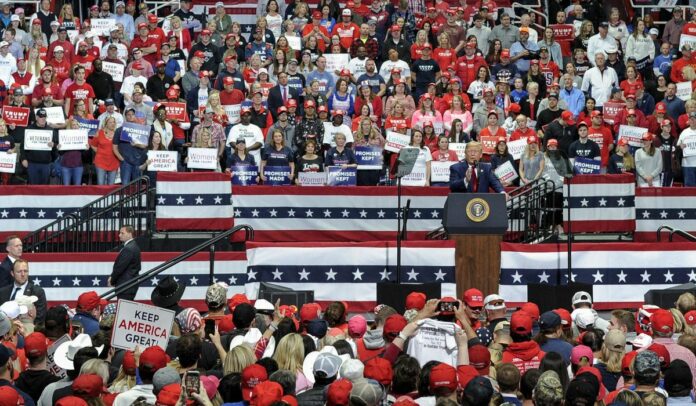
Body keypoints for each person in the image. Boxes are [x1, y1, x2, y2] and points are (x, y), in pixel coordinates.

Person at [0, 259, 47, 323]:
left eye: (25, 271)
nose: (23, 274)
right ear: (12, 273)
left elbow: (40, 318)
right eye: (19, 271)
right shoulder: (2, 292)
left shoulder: (37, 292)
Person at [108, 225, 141, 301]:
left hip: (125, 286)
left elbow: (120, 267)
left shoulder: (129, 248)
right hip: (128, 286)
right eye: (119, 233)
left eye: (122, 233)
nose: (119, 235)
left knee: (124, 311)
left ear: (130, 233)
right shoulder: (132, 246)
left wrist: (112, 280)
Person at [678, 112, 696, 186]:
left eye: (694, 119)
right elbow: (678, 146)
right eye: (691, 119)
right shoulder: (684, 132)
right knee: (689, 190)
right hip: (687, 164)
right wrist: (680, 147)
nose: (692, 121)